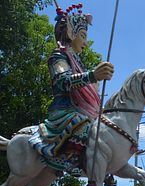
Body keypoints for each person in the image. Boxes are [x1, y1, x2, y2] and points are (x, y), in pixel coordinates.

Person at [29, 3, 114, 176]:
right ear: (71, 34)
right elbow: (63, 81)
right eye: (82, 36)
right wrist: (92, 76)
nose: (85, 42)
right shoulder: (58, 56)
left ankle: (105, 164)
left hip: (82, 108)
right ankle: (72, 160)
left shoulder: (78, 63)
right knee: (82, 123)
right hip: (65, 110)